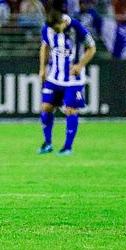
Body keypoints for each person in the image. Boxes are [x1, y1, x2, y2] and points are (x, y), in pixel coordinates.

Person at [38, 10, 96, 156]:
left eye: (57, 28)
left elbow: (91, 48)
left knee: (70, 110)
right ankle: (47, 143)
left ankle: (68, 146)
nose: (55, 31)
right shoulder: (48, 29)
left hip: (73, 80)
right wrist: (42, 69)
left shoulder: (77, 28)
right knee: (46, 107)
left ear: (63, 22)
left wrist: (80, 65)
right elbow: (45, 47)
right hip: (54, 77)